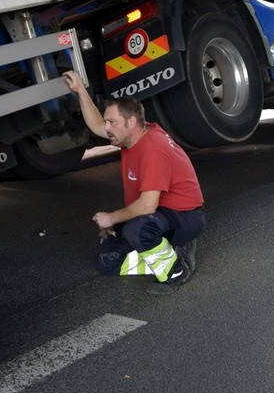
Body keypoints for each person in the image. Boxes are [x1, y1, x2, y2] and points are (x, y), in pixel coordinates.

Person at [62, 71, 205, 295]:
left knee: (137, 229)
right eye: (107, 121)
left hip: (184, 217)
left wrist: (111, 217)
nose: (106, 128)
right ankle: (167, 254)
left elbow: (147, 206)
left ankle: (175, 271)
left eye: (112, 122)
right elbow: (97, 125)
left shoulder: (153, 150)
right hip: (160, 212)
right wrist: (81, 90)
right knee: (107, 262)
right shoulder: (132, 135)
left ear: (130, 122)